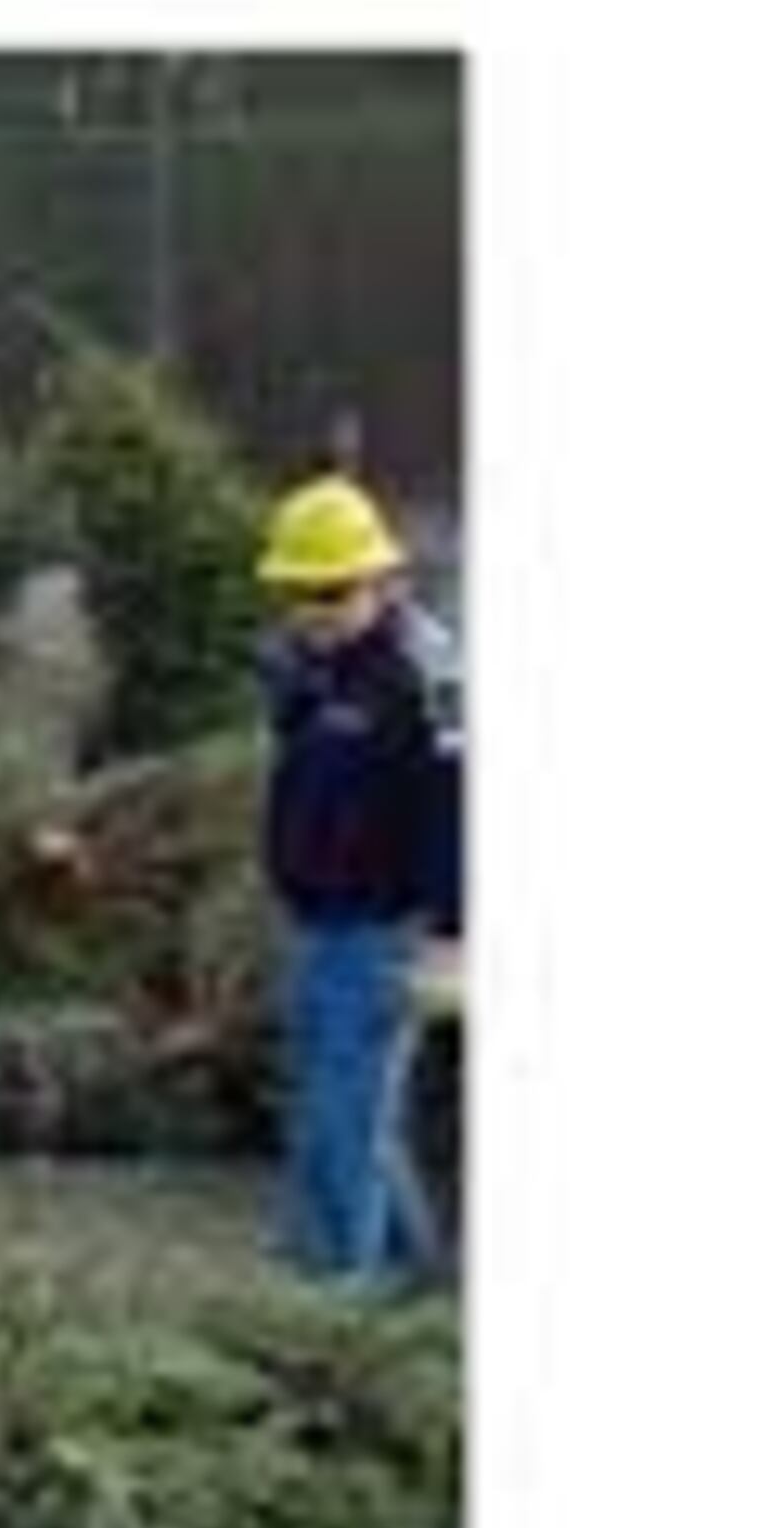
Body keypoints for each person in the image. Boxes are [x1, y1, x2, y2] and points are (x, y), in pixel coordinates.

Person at [254, 471, 463, 1290]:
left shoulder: (425, 678)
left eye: (332, 590)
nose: (313, 609)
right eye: (298, 592)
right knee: (332, 1108)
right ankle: (396, 1271)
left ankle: (344, 1294)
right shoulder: (316, 669)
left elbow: (458, 808)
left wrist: (452, 933)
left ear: (380, 577)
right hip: (318, 921)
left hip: (385, 927)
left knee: (348, 1115)